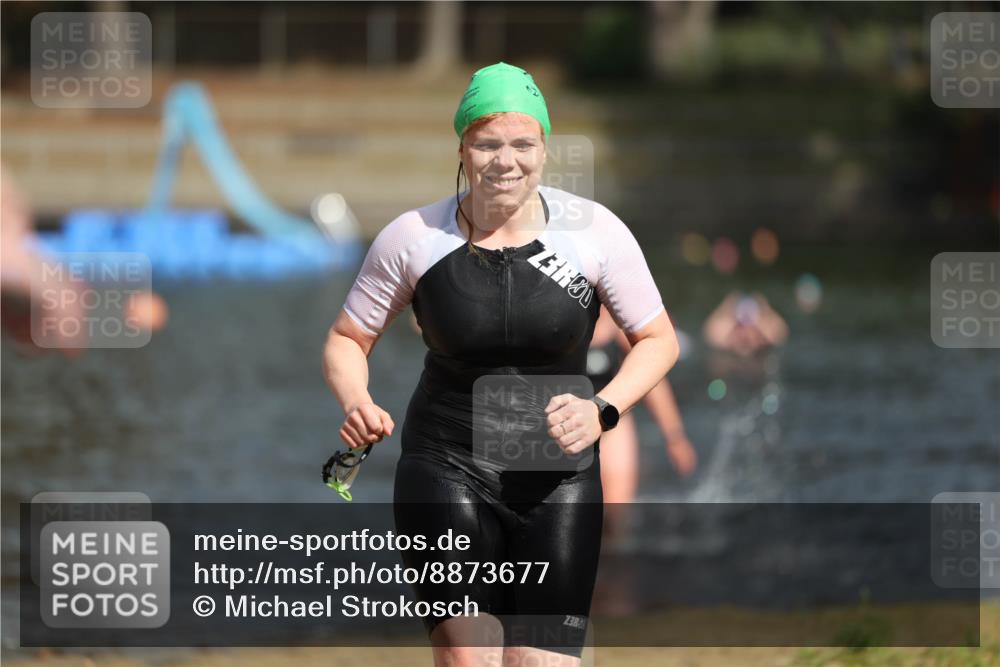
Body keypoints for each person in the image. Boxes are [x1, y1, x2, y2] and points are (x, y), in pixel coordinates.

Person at [322, 62, 678, 667]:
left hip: (557, 472)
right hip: (446, 461)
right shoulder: (413, 237)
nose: (505, 161)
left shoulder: (594, 234)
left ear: (544, 148)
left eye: (523, 144)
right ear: (462, 145)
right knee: (472, 658)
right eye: (487, 143)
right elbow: (347, 339)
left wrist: (603, 408)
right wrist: (357, 400)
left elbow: (658, 340)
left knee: (539, 662)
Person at [587, 305, 696, 513]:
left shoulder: (618, 324)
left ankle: (612, 543)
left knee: (615, 511)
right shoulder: (561, 320)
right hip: (565, 418)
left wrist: (675, 437)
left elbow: (653, 380)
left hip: (610, 422)